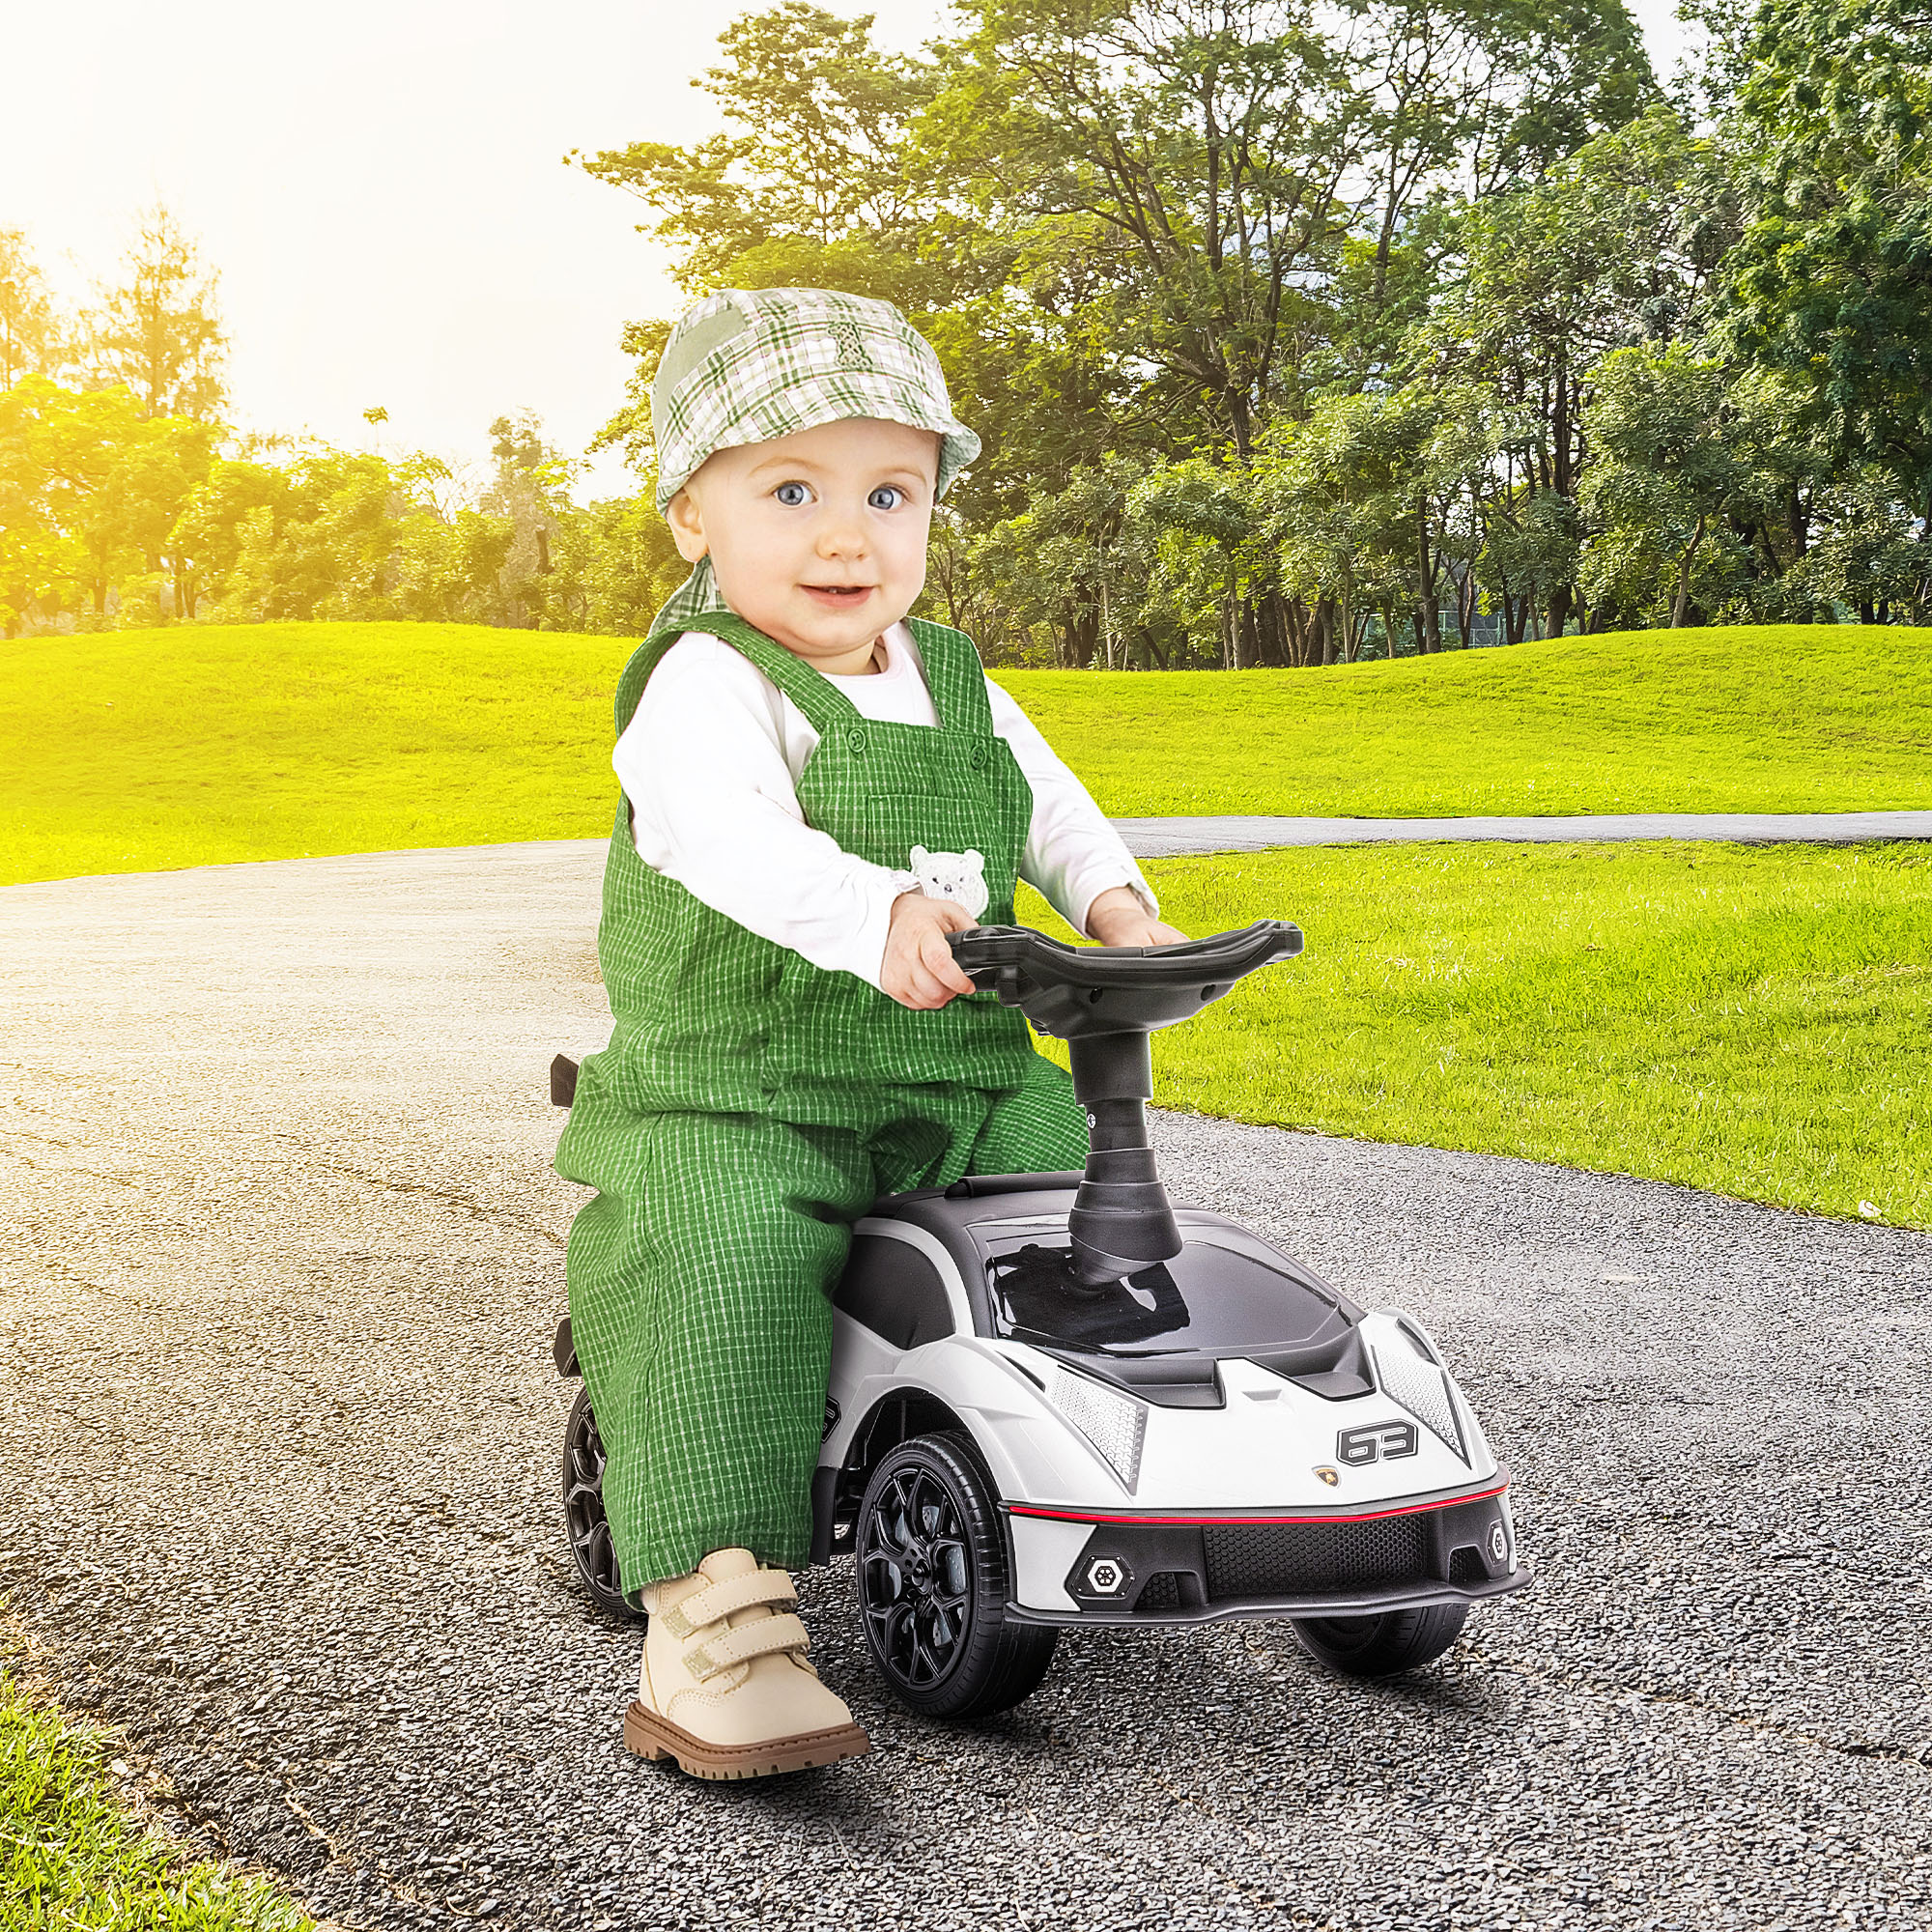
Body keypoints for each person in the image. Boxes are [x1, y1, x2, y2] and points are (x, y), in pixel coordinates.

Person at [555, 286, 1183, 1781]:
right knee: (721, 1256)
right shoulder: (706, 685)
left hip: (958, 1085)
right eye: (793, 492)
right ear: (690, 515)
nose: (848, 537)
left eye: (889, 495)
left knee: (1098, 1201)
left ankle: (1118, 1472)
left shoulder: (955, 678)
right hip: (742, 1094)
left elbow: (1050, 808)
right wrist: (876, 914)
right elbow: (725, 839)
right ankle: (715, 1618)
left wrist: (1118, 909)